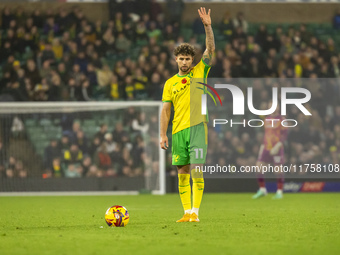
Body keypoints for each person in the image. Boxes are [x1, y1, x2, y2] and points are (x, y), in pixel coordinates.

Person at [160, 7, 215, 223]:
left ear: (193, 59)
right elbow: (166, 110)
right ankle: (186, 213)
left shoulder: (201, 71)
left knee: (196, 169)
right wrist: (163, 134)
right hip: (177, 131)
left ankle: (196, 212)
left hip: (197, 128)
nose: (184, 61)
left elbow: (210, 48)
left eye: (187, 58)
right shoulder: (169, 83)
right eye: (181, 58)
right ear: (176, 60)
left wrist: (207, 27)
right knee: (182, 172)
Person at [252, 104, 288, 200]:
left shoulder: (282, 119)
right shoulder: (266, 119)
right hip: (266, 147)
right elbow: (266, 133)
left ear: (278, 107)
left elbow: (284, 135)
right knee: (258, 167)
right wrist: (262, 146)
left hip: (277, 148)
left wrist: (278, 145)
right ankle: (262, 189)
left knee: (278, 170)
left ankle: (279, 192)